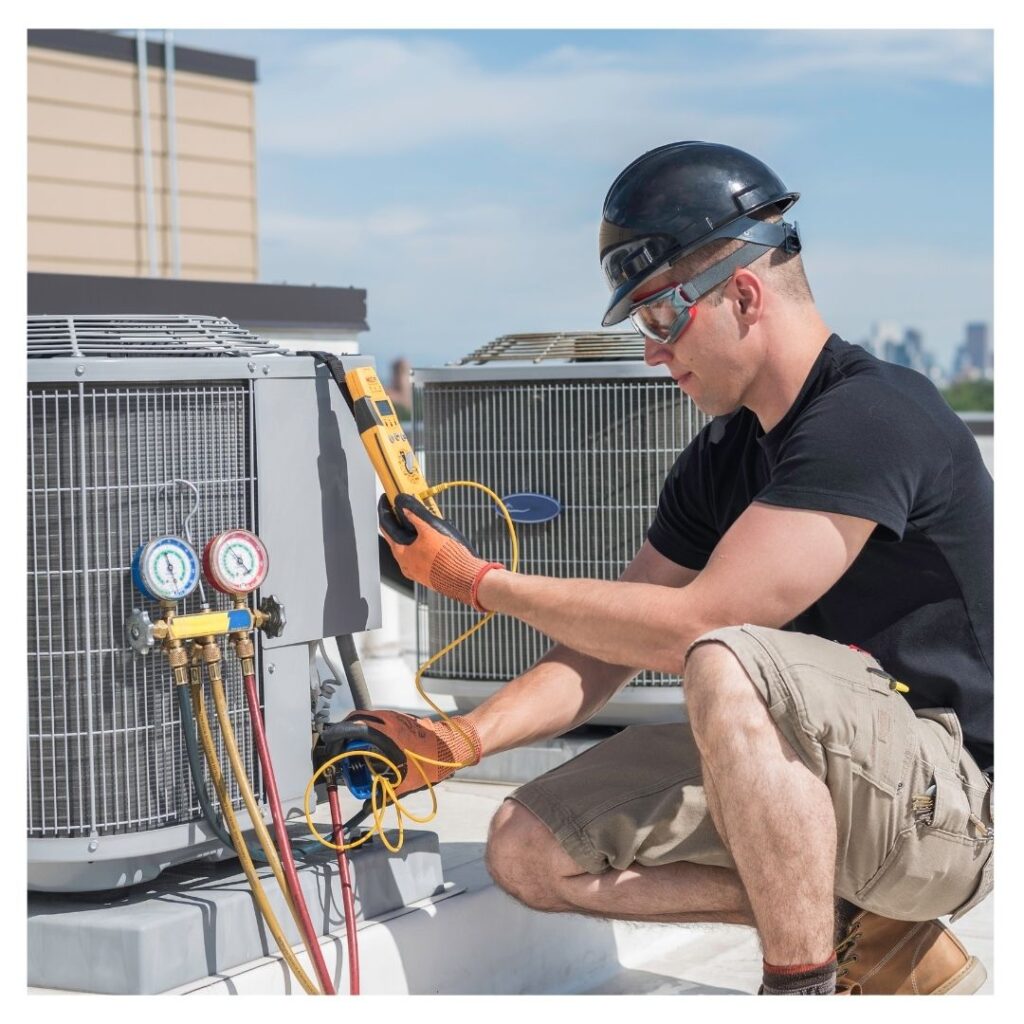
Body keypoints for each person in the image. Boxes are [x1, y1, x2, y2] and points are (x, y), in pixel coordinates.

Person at [347, 142, 994, 996]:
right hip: (831, 777)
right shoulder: (722, 457)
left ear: (744, 295)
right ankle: (861, 932)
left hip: (950, 802)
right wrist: (462, 739)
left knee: (723, 659)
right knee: (527, 847)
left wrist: (477, 582)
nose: (653, 353)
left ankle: (799, 993)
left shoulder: (872, 417)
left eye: (659, 318)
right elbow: (609, 642)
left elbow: (699, 624)